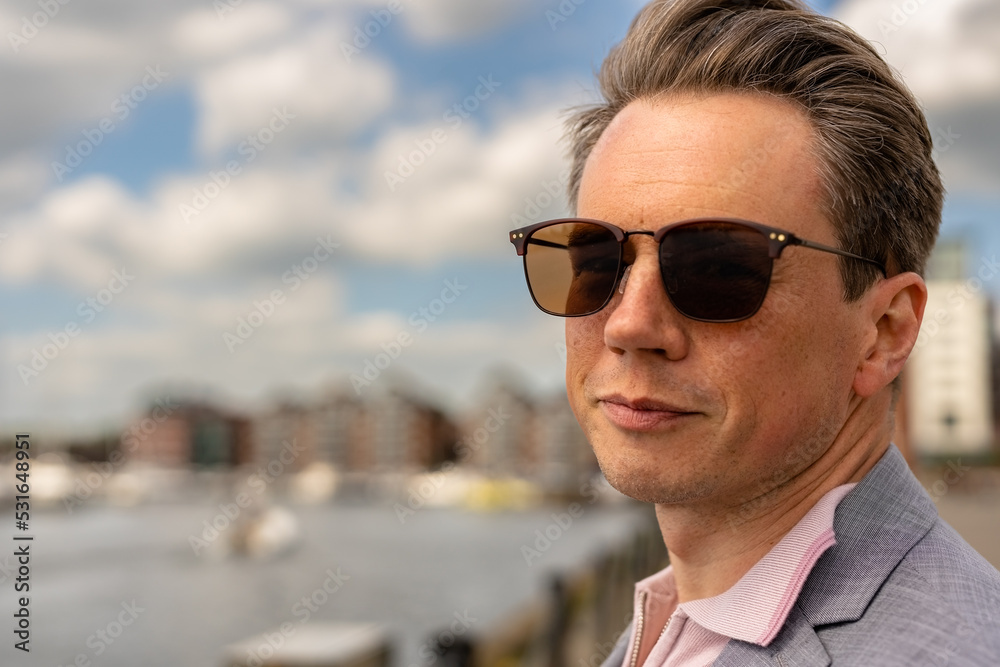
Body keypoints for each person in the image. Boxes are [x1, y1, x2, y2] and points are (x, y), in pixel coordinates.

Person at [508, 0, 1000, 664]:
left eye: (717, 267)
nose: (629, 324)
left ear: (885, 331)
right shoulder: (685, 623)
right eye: (596, 261)